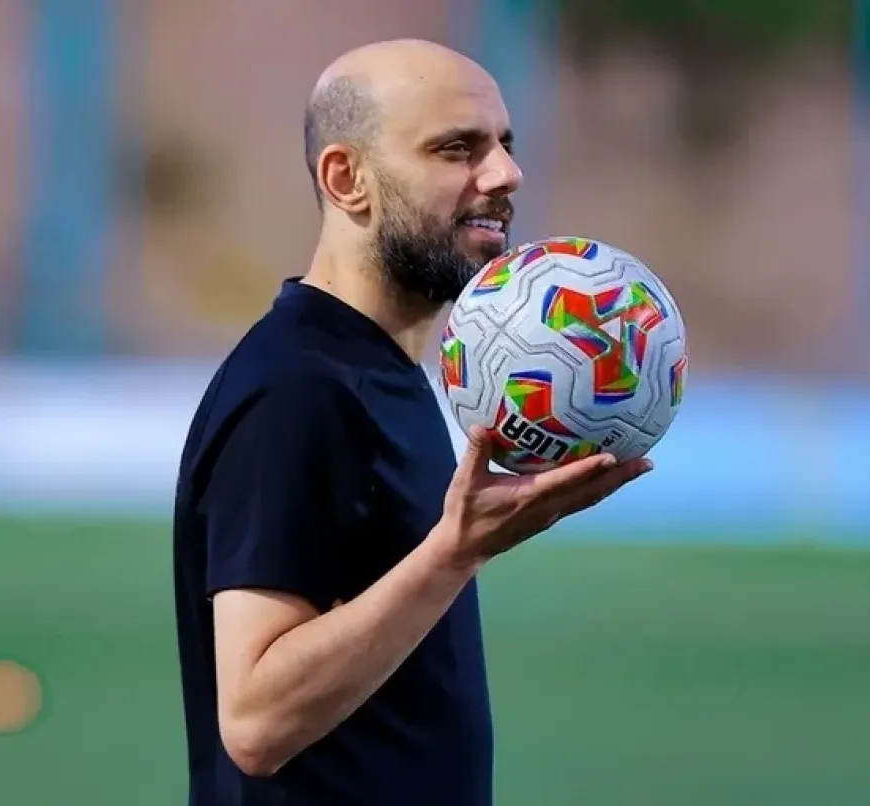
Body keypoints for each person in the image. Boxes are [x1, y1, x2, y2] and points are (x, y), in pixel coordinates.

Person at [171, 39, 653, 806]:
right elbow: (256, 722)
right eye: (457, 149)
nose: (505, 174)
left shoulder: (381, 371)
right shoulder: (297, 389)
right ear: (347, 179)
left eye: (504, 144)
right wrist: (454, 554)